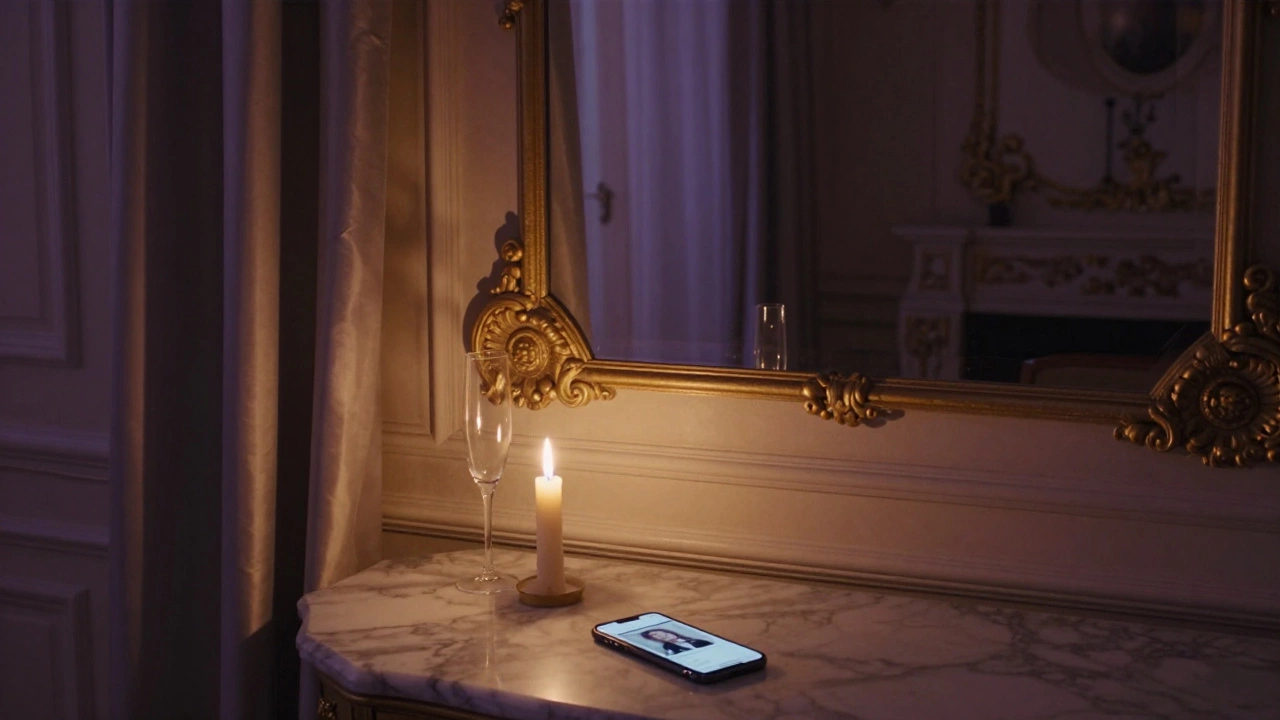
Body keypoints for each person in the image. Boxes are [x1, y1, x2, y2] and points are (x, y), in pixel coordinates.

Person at [641, 628, 712, 655]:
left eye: (666, 634)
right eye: (656, 635)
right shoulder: (670, 648)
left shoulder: (693, 640)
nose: (668, 636)